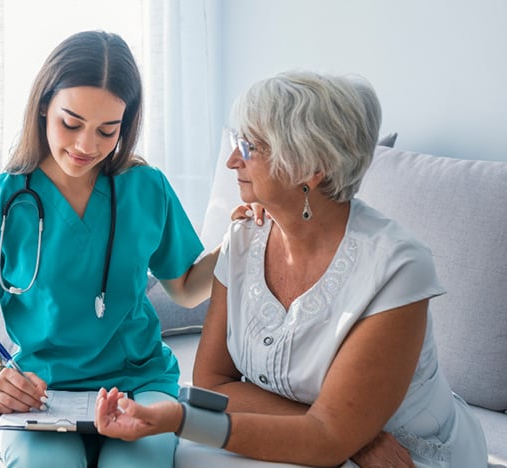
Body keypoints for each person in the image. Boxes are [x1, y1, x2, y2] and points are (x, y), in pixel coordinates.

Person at [95, 70, 488, 467]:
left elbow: (325, 438)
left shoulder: (396, 268)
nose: (233, 160)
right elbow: (214, 384)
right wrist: (353, 436)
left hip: (401, 455)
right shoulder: (245, 238)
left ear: (310, 168)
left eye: (249, 147)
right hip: (349, 443)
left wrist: (183, 420)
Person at [0, 30, 217, 468]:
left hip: (138, 381)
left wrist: (240, 243)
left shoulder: (146, 189)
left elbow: (184, 289)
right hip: (42, 389)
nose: (86, 146)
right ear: (44, 107)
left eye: (108, 131)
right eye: (71, 124)